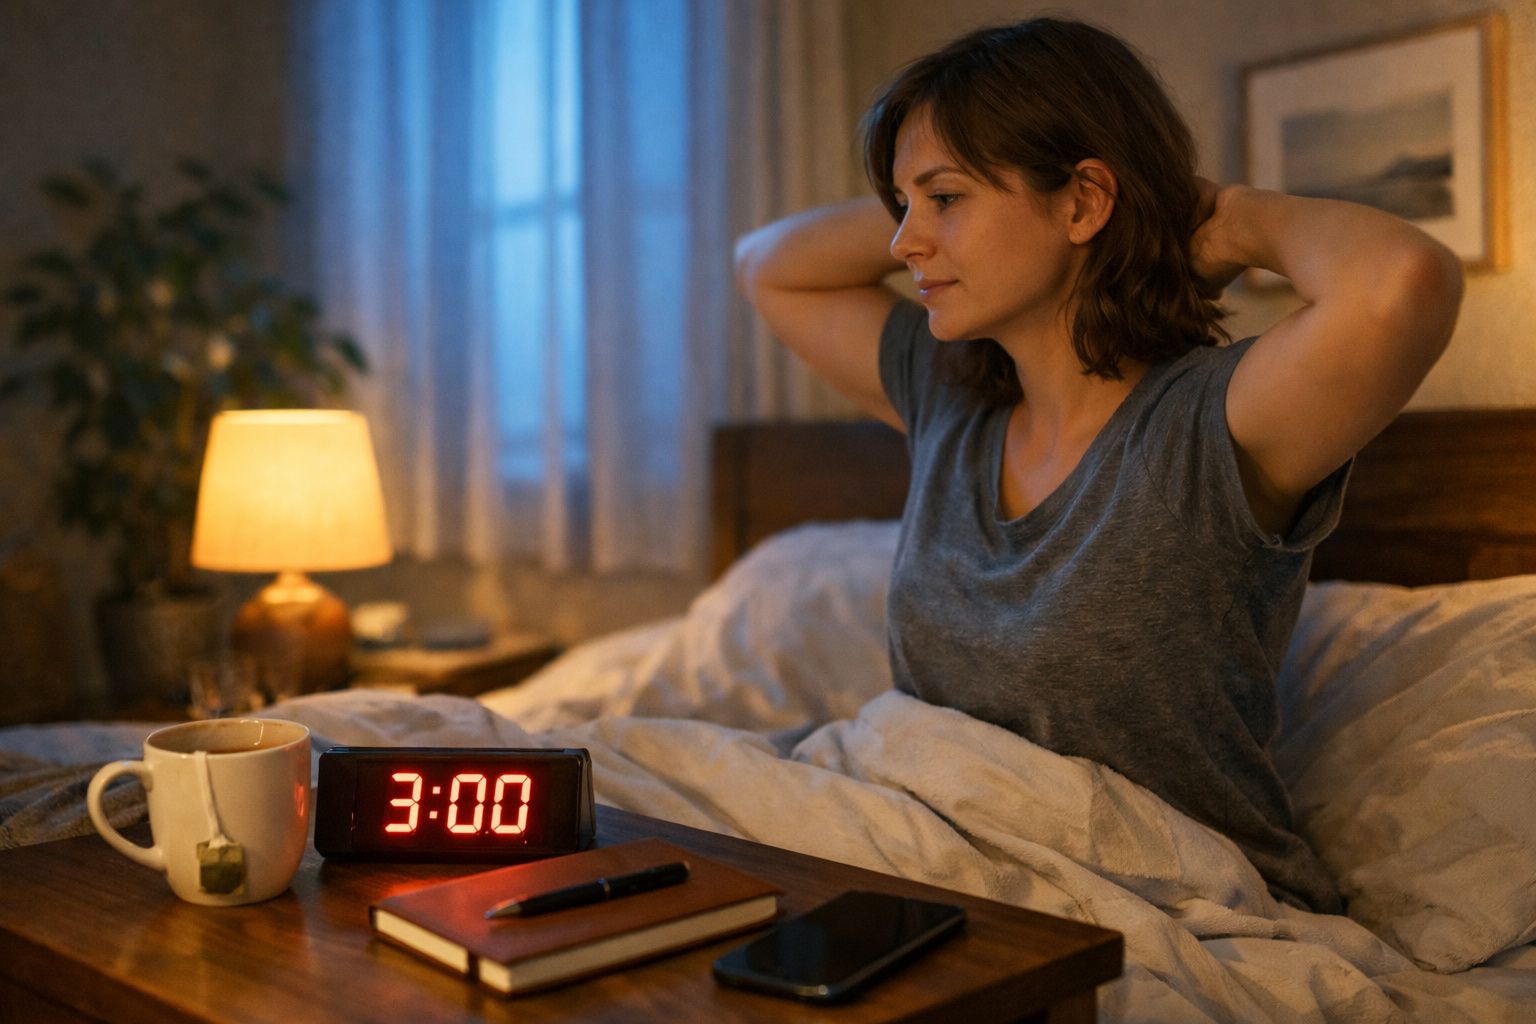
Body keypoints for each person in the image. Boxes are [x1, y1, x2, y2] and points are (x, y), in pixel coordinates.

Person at [732, 18, 1462, 914]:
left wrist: (1221, 218)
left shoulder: (1212, 423)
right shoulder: (948, 399)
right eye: (900, 204)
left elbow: (1404, 281)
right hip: (927, 862)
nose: (901, 242)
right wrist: (930, 183)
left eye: (945, 199)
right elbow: (766, 265)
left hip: (1150, 904)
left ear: (1082, 201)